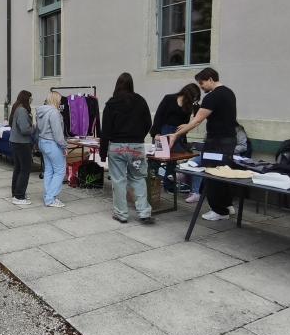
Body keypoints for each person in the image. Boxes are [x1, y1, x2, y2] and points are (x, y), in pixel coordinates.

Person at [168, 67, 238, 221]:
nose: (201, 87)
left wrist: (176, 134)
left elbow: (197, 120)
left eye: (202, 83)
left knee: (212, 173)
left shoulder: (212, 97)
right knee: (225, 173)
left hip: (216, 143)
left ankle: (218, 210)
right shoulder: (229, 92)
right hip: (229, 141)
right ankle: (227, 206)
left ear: (211, 79)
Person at [100, 73, 154, 224]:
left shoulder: (111, 103)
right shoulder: (140, 101)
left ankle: (121, 214)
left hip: (117, 147)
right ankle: (144, 212)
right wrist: (138, 137)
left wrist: (103, 153)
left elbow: (106, 131)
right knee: (138, 178)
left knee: (118, 181)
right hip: (136, 146)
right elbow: (148, 123)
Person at [150, 83, 201, 192]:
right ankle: (151, 184)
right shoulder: (169, 99)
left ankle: (169, 186)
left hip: (178, 134)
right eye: (193, 98)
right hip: (163, 132)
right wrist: (156, 133)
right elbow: (159, 116)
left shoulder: (189, 105)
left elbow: (197, 118)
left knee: (172, 162)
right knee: (157, 160)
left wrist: (187, 125)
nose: (193, 101)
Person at [35, 91, 67, 208]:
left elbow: (38, 129)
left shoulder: (40, 111)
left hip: (43, 142)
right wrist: (64, 146)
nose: (60, 102)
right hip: (52, 143)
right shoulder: (54, 112)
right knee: (60, 171)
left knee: (49, 170)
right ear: (55, 100)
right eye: (59, 99)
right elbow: (58, 134)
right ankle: (50, 198)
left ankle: (48, 196)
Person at [9, 90, 35, 205]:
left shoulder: (17, 108)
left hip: (16, 142)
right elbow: (25, 130)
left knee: (18, 168)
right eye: (30, 98)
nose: (31, 100)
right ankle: (19, 196)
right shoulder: (22, 110)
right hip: (22, 143)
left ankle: (16, 193)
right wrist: (34, 128)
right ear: (26, 98)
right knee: (25, 169)